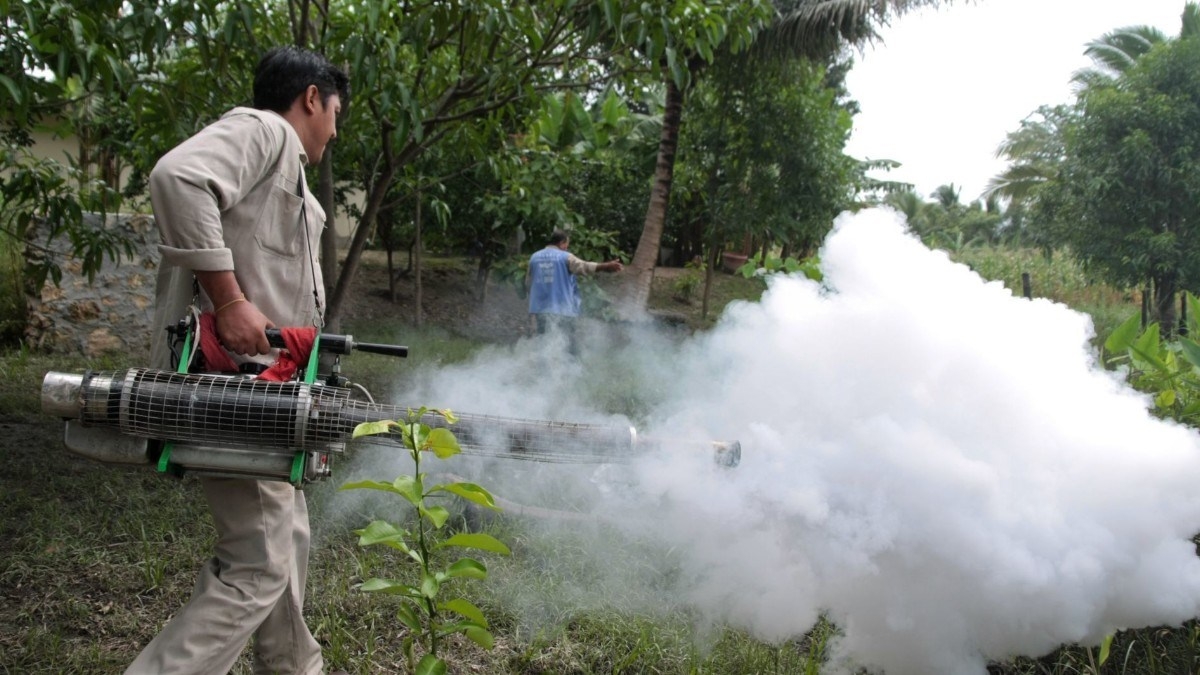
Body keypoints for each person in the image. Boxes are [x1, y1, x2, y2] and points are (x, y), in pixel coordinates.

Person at [129, 46, 350, 675]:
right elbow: (177, 177)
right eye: (335, 113)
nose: (334, 131)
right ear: (312, 97)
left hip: (270, 394)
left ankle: (291, 666)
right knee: (258, 559)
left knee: (287, 531)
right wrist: (229, 300)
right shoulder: (267, 131)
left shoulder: (289, 175)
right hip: (233, 388)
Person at [526, 229, 623, 352]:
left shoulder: (534, 257)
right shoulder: (565, 257)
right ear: (562, 242)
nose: (567, 247)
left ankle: (544, 369)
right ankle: (571, 369)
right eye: (567, 244)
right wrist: (606, 266)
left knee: (544, 344)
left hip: (540, 310)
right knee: (569, 346)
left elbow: (528, 283)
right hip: (562, 310)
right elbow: (584, 266)